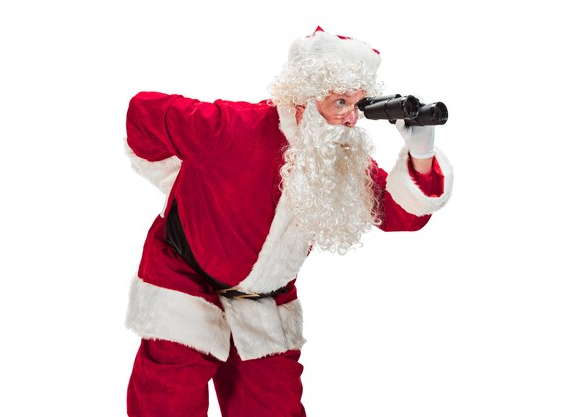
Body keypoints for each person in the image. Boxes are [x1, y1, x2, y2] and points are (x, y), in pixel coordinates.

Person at [124, 27, 453, 417]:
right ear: (302, 100)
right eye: (340, 102)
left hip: (265, 304)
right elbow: (142, 113)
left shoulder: (342, 161)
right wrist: (178, 177)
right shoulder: (231, 127)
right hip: (185, 282)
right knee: (168, 401)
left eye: (358, 105)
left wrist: (421, 154)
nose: (350, 118)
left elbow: (400, 215)